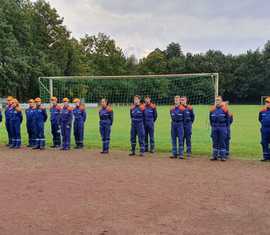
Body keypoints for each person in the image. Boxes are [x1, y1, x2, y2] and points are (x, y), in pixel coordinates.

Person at [209, 96, 230, 161]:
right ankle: (214, 156)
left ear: (221, 101)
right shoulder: (212, 110)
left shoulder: (225, 109)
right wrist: (213, 126)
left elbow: (228, 119)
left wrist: (226, 127)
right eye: (216, 100)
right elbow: (210, 119)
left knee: (222, 141)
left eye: (218, 100)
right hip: (214, 127)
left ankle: (223, 156)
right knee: (214, 141)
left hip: (222, 127)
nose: (217, 101)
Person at [259, 97, 270, 161]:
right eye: (266, 102)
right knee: (264, 142)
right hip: (264, 129)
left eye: (268, 102)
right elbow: (260, 119)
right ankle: (266, 156)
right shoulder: (262, 111)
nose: (267, 103)